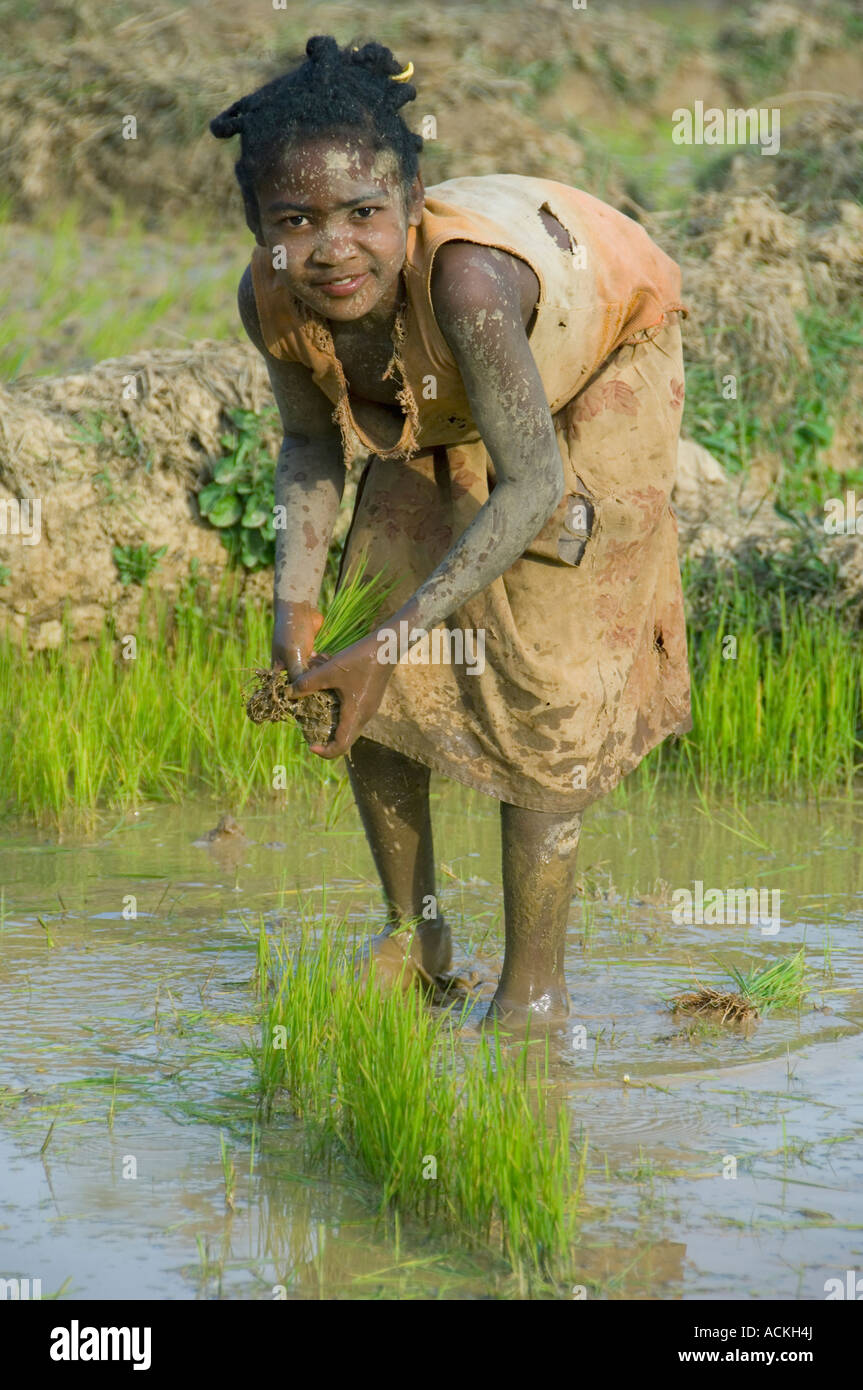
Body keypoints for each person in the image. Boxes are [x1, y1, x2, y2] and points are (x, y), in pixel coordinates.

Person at [210, 34, 691, 1027]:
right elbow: (309, 447)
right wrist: (297, 603)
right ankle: (417, 935)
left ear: (413, 198)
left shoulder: (469, 284)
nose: (330, 249)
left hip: (587, 369)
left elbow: (529, 486)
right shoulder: (275, 298)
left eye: (361, 215)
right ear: (256, 225)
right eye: (292, 221)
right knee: (361, 646)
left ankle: (533, 988)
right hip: (431, 384)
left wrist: (396, 640)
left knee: (549, 668)